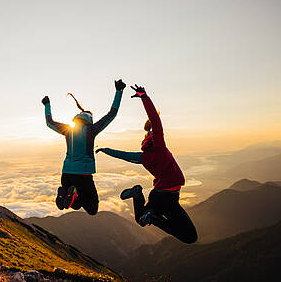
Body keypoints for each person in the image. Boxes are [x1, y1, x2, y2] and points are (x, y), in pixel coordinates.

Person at [96, 84, 197, 243]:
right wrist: (144, 96)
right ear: (152, 135)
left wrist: (106, 150)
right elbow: (155, 120)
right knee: (190, 237)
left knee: (141, 218)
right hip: (167, 197)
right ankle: (150, 213)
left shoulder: (144, 156)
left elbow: (125, 155)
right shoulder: (159, 146)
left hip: (160, 196)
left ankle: (138, 194)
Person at [42, 79, 126, 215]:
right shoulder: (91, 129)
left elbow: (49, 123)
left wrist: (47, 105)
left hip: (66, 174)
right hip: (83, 175)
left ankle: (69, 194)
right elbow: (112, 114)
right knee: (92, 208)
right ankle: (73, 195)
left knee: (72, 205)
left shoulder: (68, 129)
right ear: (89, 118)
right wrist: (119, 91)